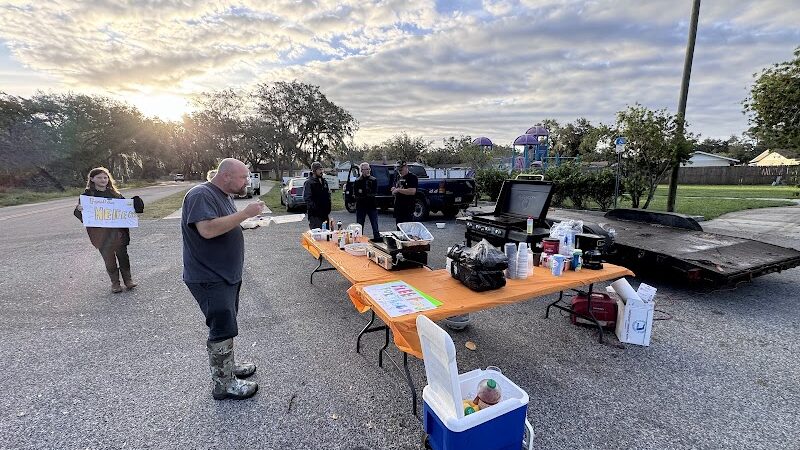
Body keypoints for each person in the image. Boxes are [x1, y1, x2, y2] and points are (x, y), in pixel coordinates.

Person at [181, 158, 264, 400]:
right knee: (221, 327)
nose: (246, 181)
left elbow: (223, 224)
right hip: (209, 275)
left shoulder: (224, 195)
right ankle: (223, 384)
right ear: (226, 176)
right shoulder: (200, 194)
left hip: (225, 274)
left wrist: (244, 224)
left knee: (227, 324)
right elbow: (206, 230)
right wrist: (245, 214)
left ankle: (228, 367)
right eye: (243, 177)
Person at [73, 167, 143, 294]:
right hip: (100, 234)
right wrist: (79, 209)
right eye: (99, 177)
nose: (103, 180)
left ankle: (128, 280)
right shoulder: (87, 197)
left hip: (118, 233)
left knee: (123, 256)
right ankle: (115, 283)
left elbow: (125, 210)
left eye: (105, 177)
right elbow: (83, 216)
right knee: (109, 259)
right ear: (92, 179)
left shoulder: (115, 194)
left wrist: (134, 204)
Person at [353, 162, 380, 241]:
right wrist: (365, 194)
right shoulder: (357, 181)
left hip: (372, 206)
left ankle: (377, 240)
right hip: (361, 206)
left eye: (369, 169)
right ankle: (358, 240)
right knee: (359, 225)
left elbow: (374, 192)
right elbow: (356, 194)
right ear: (362, 170)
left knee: (375, 225)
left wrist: (365, 194)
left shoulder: (373, 180)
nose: (368, 171)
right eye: (366, 169)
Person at [303, 161, 332, 229]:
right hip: (315, 216)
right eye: (319, 169)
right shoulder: (309, 183)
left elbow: (328, 195)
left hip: (325, 214)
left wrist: (328, 207)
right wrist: (315, 208)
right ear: (314, 171)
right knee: (317, 236)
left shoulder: (324, 182)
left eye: (322, 169)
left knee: (326, 235)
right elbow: (307, 198)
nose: (321, 171)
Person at [391, 160, 418, 225]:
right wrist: (394, 190)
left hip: (407, 208)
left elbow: (412, 191)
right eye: (398, 170)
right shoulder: (398, 177)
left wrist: (398, 190)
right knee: (399, 230)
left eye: (401, 169)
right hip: (398, 208)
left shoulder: (412, 177)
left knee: (407, 230)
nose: (399, 171)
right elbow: (396, 188)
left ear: (406, 167)